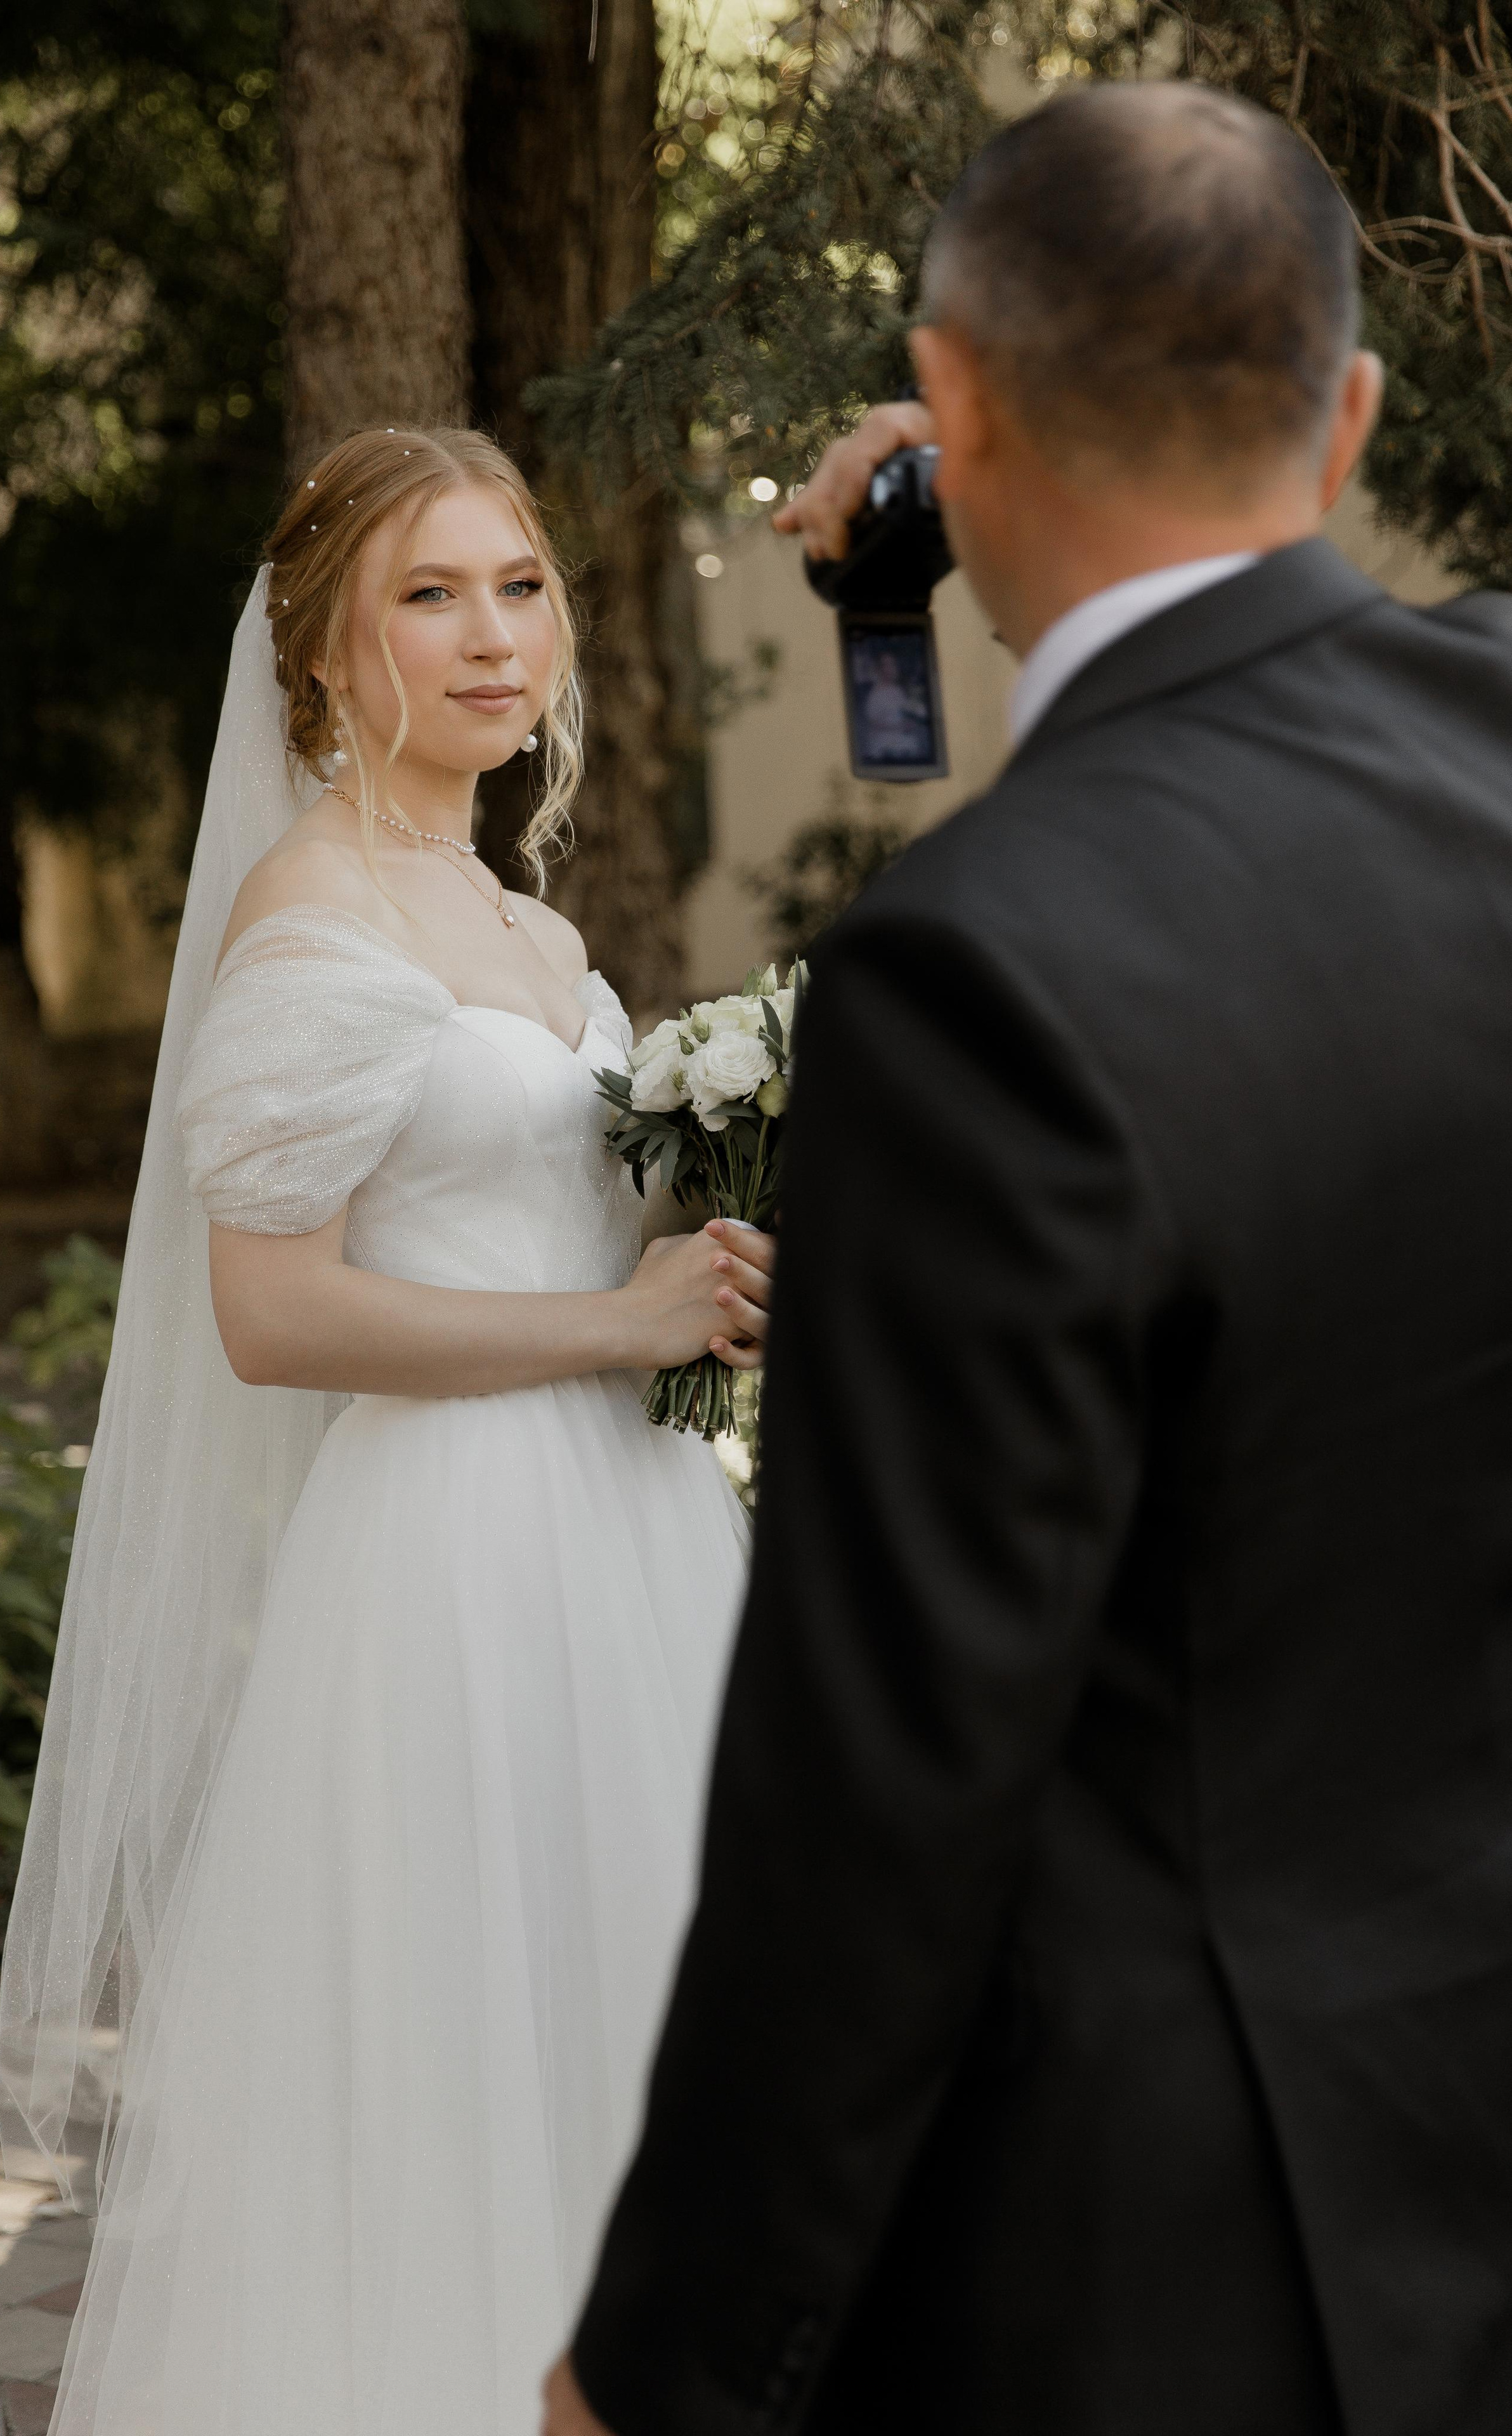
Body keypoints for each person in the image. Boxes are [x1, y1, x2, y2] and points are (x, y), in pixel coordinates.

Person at [545, 81, 1512, 2436]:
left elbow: (876, 1793)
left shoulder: (977, 976)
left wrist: (662, 2373)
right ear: (1355, 409)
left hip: (1181, 2269)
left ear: (946, 407)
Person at [0, 425, 779, 2433]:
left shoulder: (532, 929)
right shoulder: (312, 910)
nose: (492, 637)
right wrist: (609, 1320)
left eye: (518, 587)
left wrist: (704, 1274)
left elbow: (556, 1230)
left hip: (633, 1546)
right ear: (330, 655)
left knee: (641, 2037)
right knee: (463, 2054)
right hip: (446, 1566)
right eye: (427, 595)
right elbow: (272, 1312)